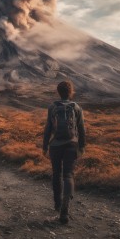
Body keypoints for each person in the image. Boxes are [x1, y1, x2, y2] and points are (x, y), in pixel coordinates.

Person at [42, 81, 86, 224]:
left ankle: (57, 204)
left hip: (55, 145)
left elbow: (48, 128)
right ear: (71, 91)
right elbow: (81, 129)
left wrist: (44, 146)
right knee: (68, 174)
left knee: (56, 173)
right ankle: (65, 210)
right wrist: (81, 147)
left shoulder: (53, 107)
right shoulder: (76, 107)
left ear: (58, 92)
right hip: (72, 144)